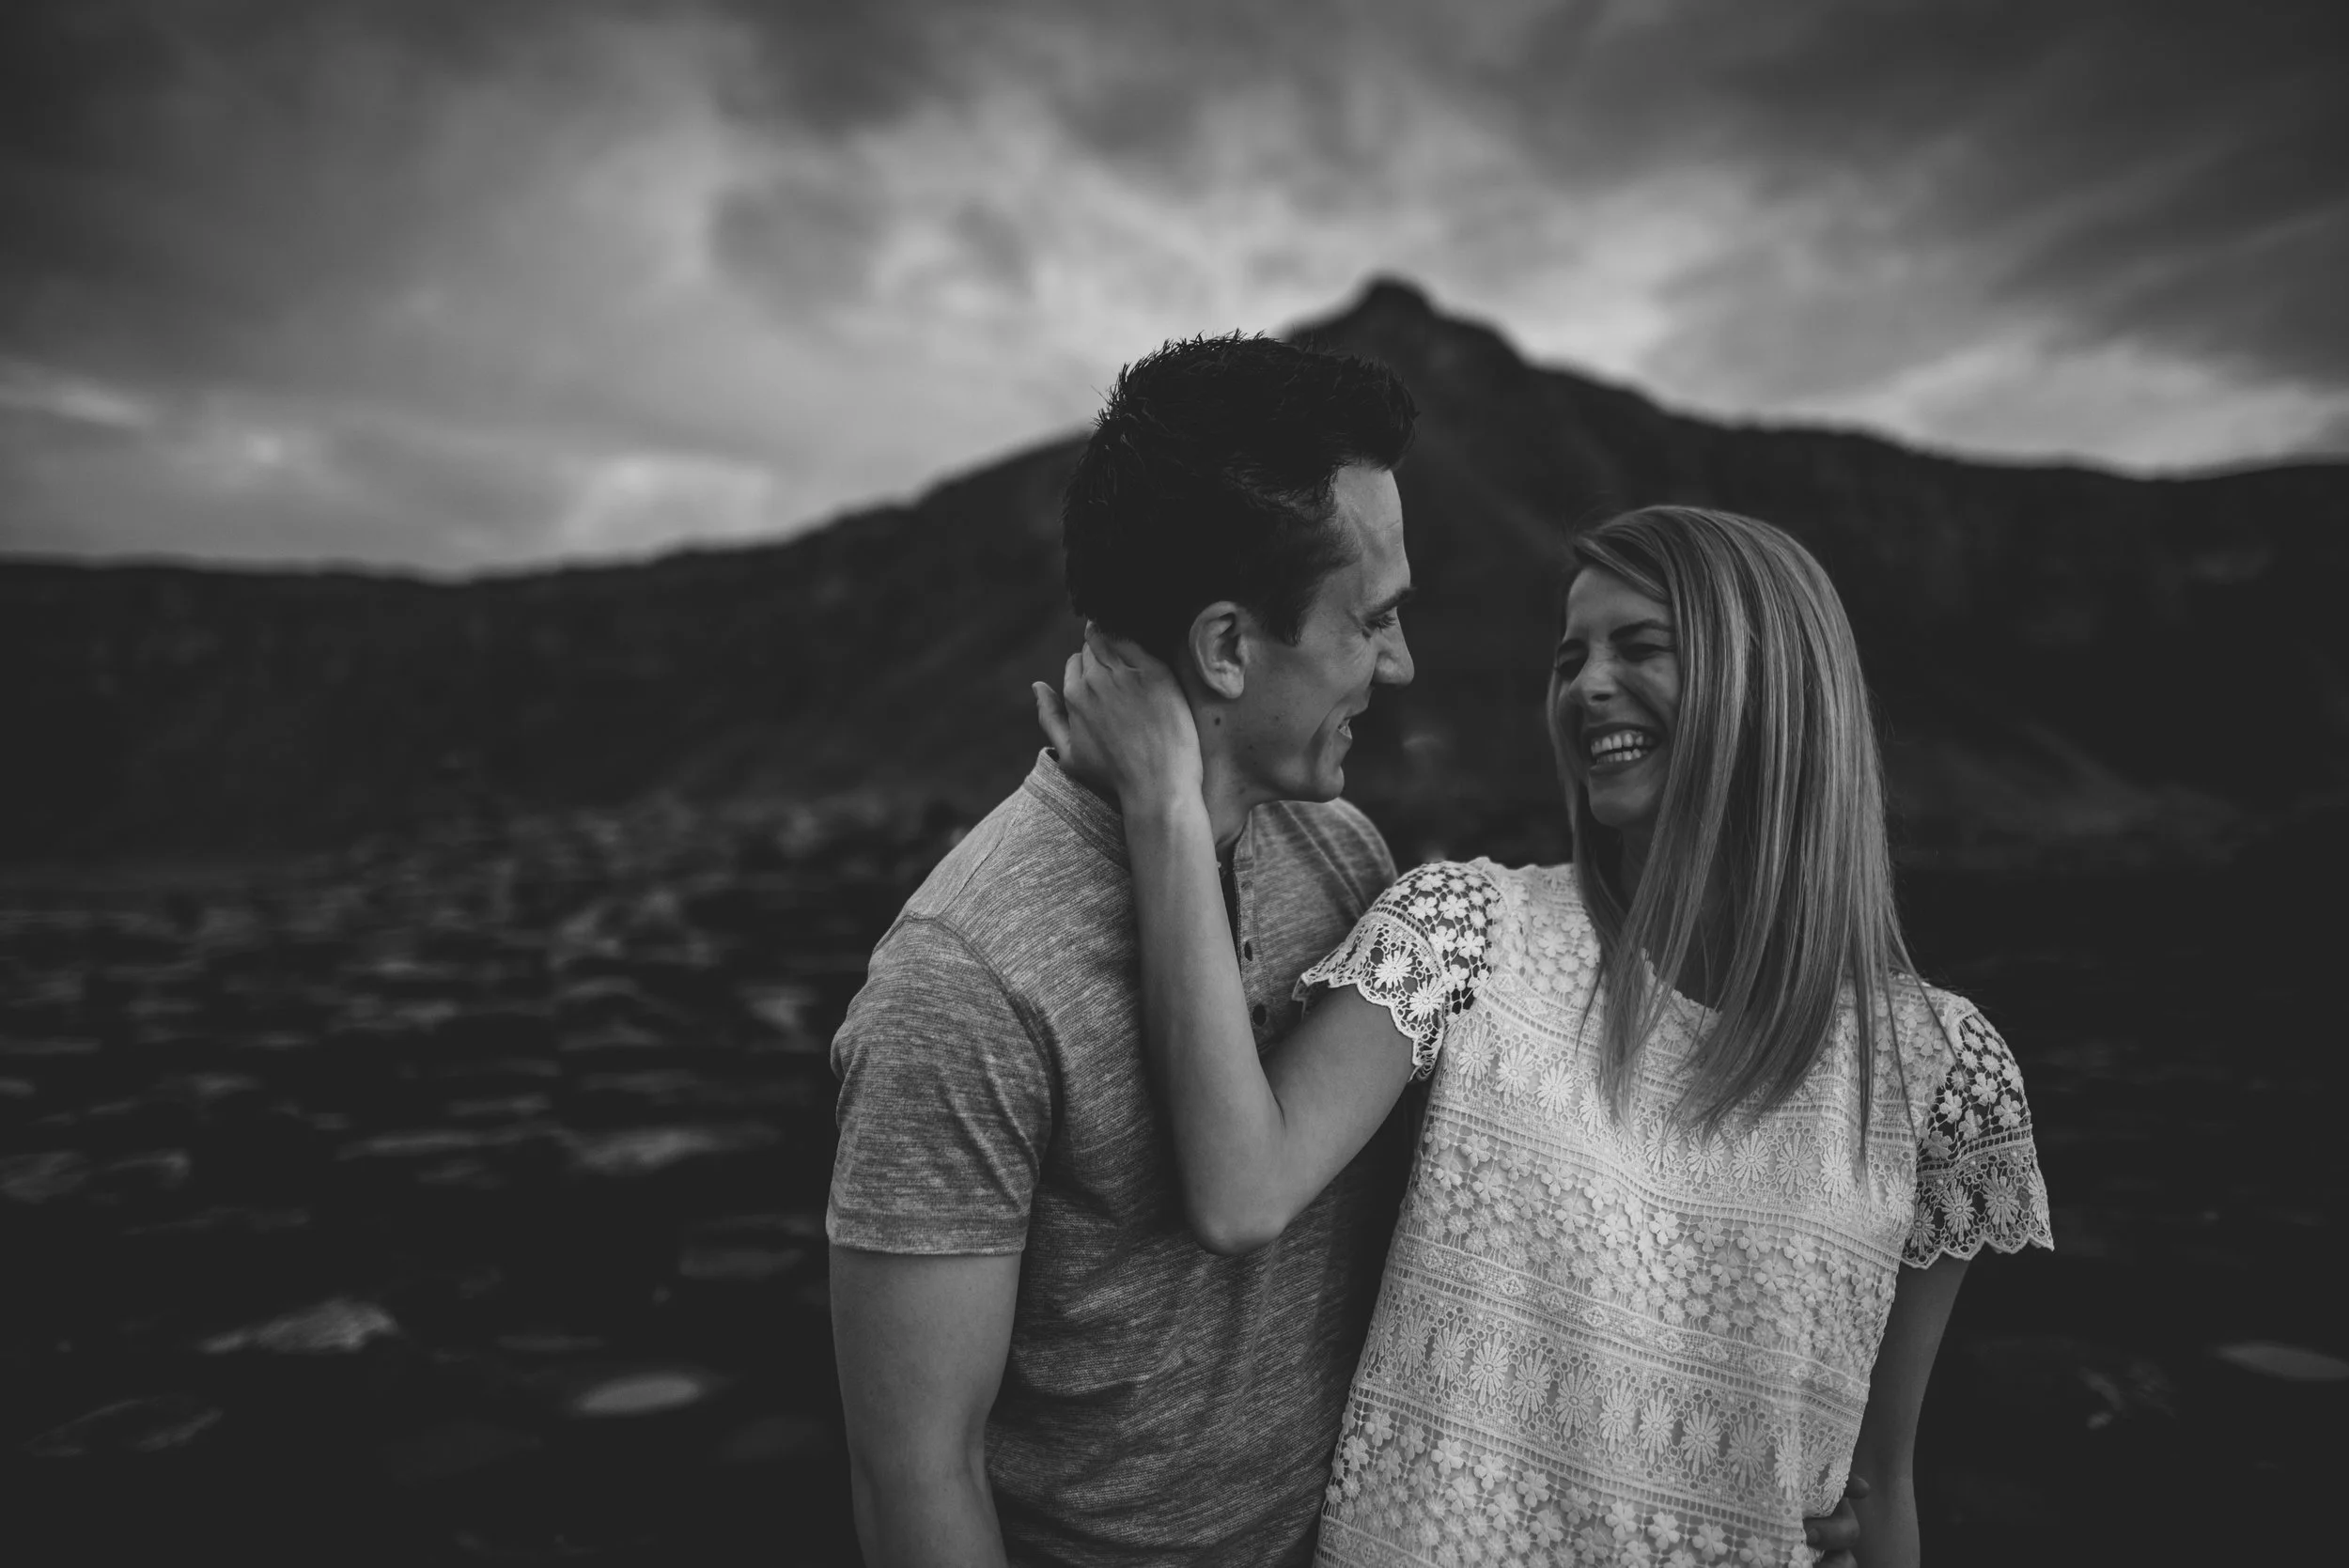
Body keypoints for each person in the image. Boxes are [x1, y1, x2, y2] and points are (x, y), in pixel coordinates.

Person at [1043, 505, 2050, 1566]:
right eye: (1570, 656)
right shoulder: (1465, 934)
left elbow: (1877, 1486)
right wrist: (1163, 805)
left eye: (1639, 646)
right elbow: (1238, 1187)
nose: (1586, 686)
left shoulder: (1938, 1074)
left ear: (1773, 685)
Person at [826, 332, 1424, 1566]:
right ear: (1226, 648)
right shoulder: (962, 978)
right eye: (1371, 621)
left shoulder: (1346, 855)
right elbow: (915, 1472)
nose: (1402, 662)